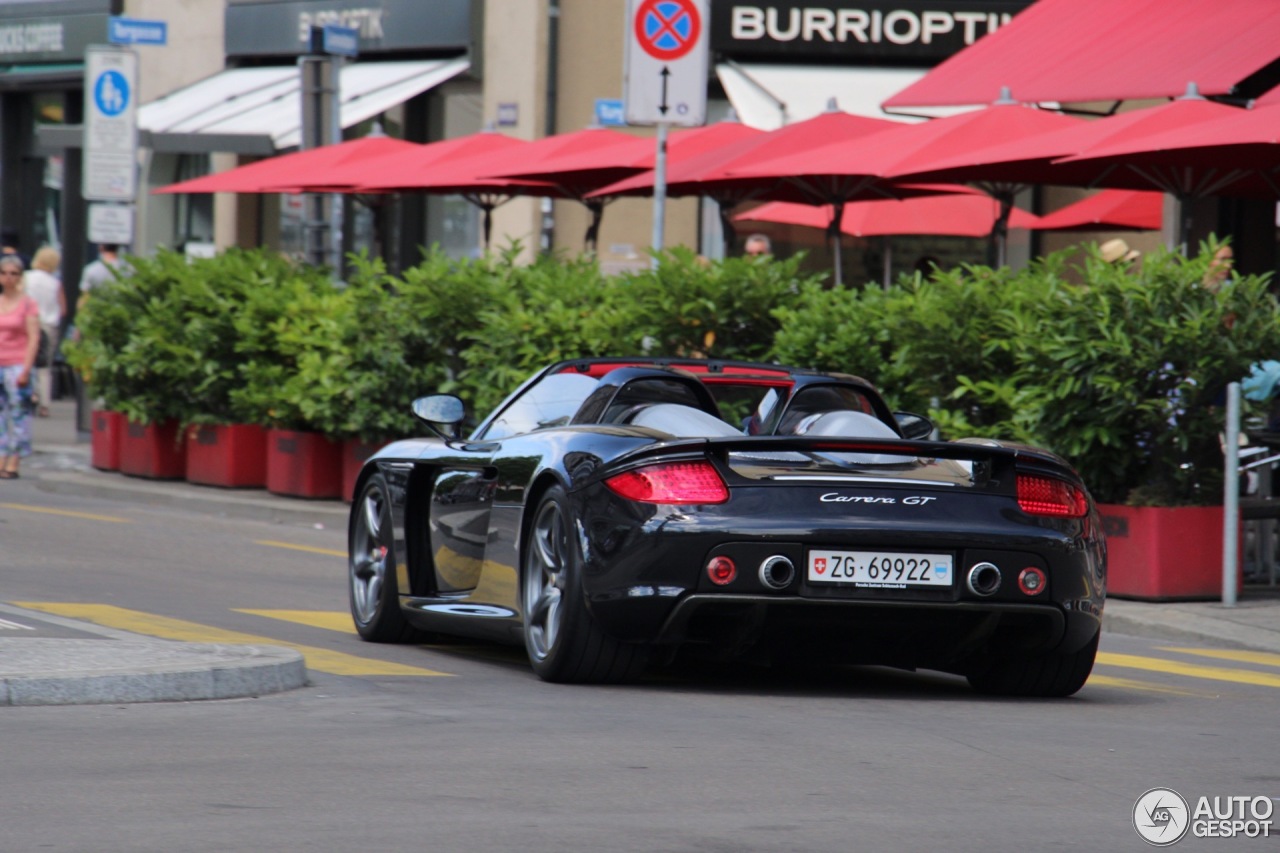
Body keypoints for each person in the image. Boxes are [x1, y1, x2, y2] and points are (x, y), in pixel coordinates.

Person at [0, 254, 39, 478]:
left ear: (20, 277)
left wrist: (26, 369)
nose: (8, 278)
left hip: (17, 364)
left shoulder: (27, 303)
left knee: (19, 414)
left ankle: (14, 460)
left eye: (13, 274)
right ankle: (1, 456)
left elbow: (33, 338)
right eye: (4, 273)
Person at [23, 246, 63, 417]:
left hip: (27, 322)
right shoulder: (56, 283)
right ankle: (45, 403)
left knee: (26, 361)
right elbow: (63, 308)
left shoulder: (26, 277)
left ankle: (30, 394)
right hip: (49, 325)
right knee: (44, 365)